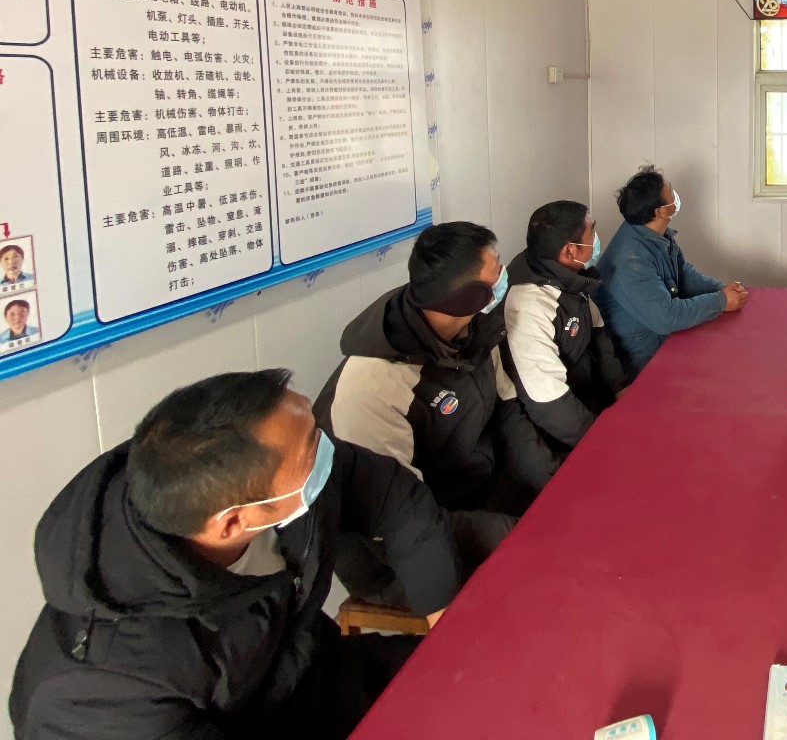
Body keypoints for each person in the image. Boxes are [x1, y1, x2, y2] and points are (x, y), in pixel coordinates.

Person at [9, 369, 460, 740]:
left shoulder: (276, 475)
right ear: (231, 524)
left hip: (319, 676)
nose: (327, 449)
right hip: (249, 725)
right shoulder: (104, 691)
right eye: (312, 446)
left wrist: (445, 618)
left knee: (475, 674)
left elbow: (394, 498)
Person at [313, 222, 558, 611]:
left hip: (470, 490)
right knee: (544, 572)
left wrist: (553, 483)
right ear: (467, 296)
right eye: (495, 273)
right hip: (398, 556)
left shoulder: (473, 329)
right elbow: (405, 521)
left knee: (573, 513)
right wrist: (513, 533)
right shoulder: (373, 384)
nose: (504, 277)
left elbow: (505, 414)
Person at [501, 200, 630, 451]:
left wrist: (619, 387)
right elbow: (549, 401)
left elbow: (598, 335)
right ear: (569, 251)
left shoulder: (568, 273)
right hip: (560, 430)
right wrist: (601, 441)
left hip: (589, 398)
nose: (596, 238)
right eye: (592, 231)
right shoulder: (528, 305)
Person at [594, 166, 747, 376]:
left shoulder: (654, 233)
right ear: (661, 211)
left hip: (663, 340)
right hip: (640, 360)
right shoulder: (631, 260)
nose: (675, 195)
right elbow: (667, 317)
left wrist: (722, 289)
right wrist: (721, 301)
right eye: (670, 191)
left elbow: (683, 274)